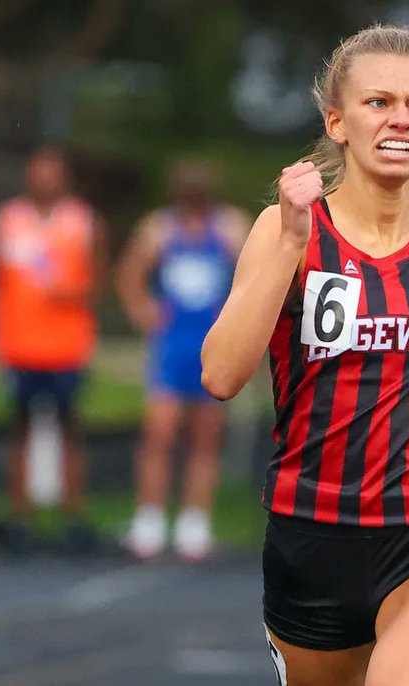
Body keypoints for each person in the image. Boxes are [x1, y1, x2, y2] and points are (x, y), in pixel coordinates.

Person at [200, 24, 409, 686]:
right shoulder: (286, 230)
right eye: (379, 102)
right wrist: (290, 243)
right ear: (337, 122)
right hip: (312, 538)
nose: (400, 119)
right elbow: (220, 374)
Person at [116, 158, 248, 560]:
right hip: (173, 344)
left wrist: (237, 319)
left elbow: (255, 275)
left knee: (206, 436)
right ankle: (150, 518)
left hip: (211, 344)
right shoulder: (160, 228)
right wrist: (144, 311)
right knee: (160, 433)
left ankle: (195, 520)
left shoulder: (229, 227)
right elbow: (129, 274)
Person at [0, 146, 106, 551]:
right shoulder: (8, 220)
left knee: (70, 429)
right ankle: (19, 516)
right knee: (18, 429)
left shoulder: (82, 221)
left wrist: (70, 293)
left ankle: (73, 515)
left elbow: (97, 282)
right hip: (19, 345)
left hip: (66, 346)